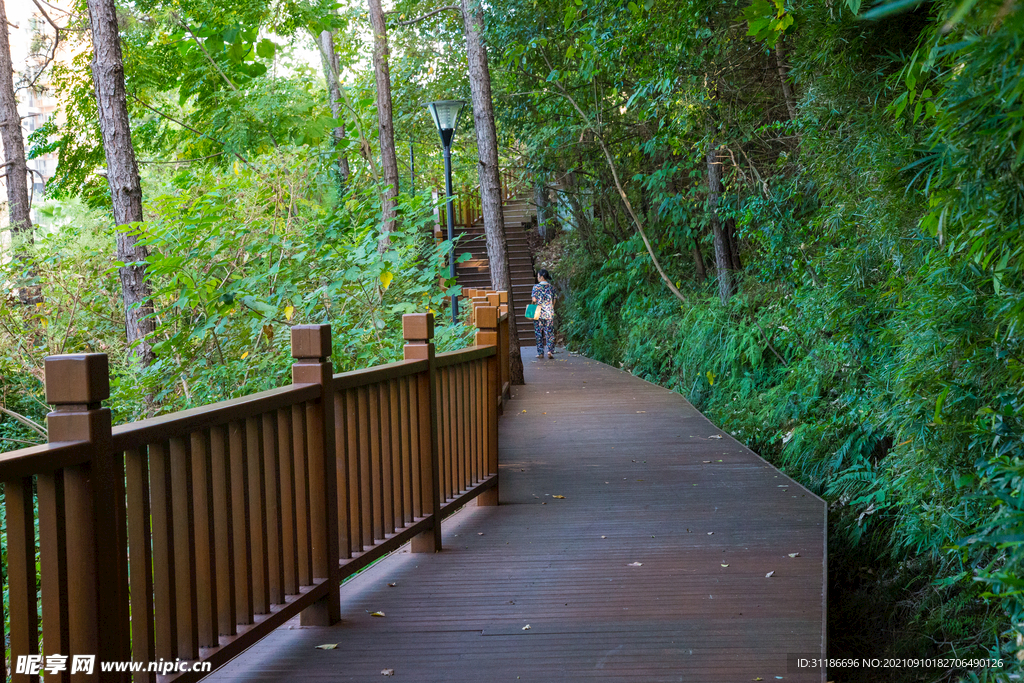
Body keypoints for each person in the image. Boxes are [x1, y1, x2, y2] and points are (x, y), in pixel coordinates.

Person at [531, 269, 556, 358]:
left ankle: (540, 353)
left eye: (538, 276)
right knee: (549, 333)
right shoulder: (552, 287)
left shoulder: (535, 287)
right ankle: (550, 351)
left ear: (541, 277)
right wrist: (550, 309)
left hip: (538, 312)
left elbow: (534, 300)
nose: (537, 278)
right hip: (549, 312)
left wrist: (533, 306)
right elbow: (554, 300)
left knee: (539, 333)